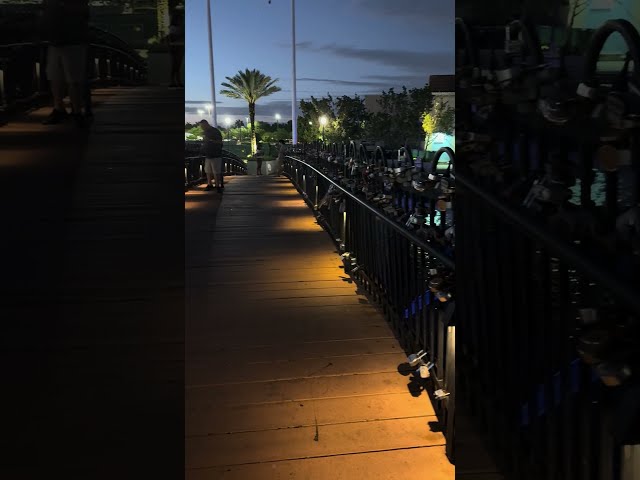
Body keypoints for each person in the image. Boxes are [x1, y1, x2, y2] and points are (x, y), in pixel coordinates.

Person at [40, 0, 90, 127]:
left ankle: (74, 111)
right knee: (56, 77)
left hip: (70, 42)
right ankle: (65, 110)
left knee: (72, 79)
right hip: (58, 41)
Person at [199, 119, 224, 192]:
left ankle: (217, 186)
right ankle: (209, 184)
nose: (202, 128)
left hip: (216, 154)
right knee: (208, 171)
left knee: (216, 171)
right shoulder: (205, 132)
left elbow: (220, 142)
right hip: (208, 154)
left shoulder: (215, 131)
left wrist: (210, 140)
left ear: (206, 124)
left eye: (202, 126)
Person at [167, 11, 184, 89]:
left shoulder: (181, 27)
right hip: (175, 47)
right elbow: (171, 38)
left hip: (180, 46)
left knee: (177, 66)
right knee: (175, 65)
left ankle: (177, 81)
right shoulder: (173, 28)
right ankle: (174, 81)